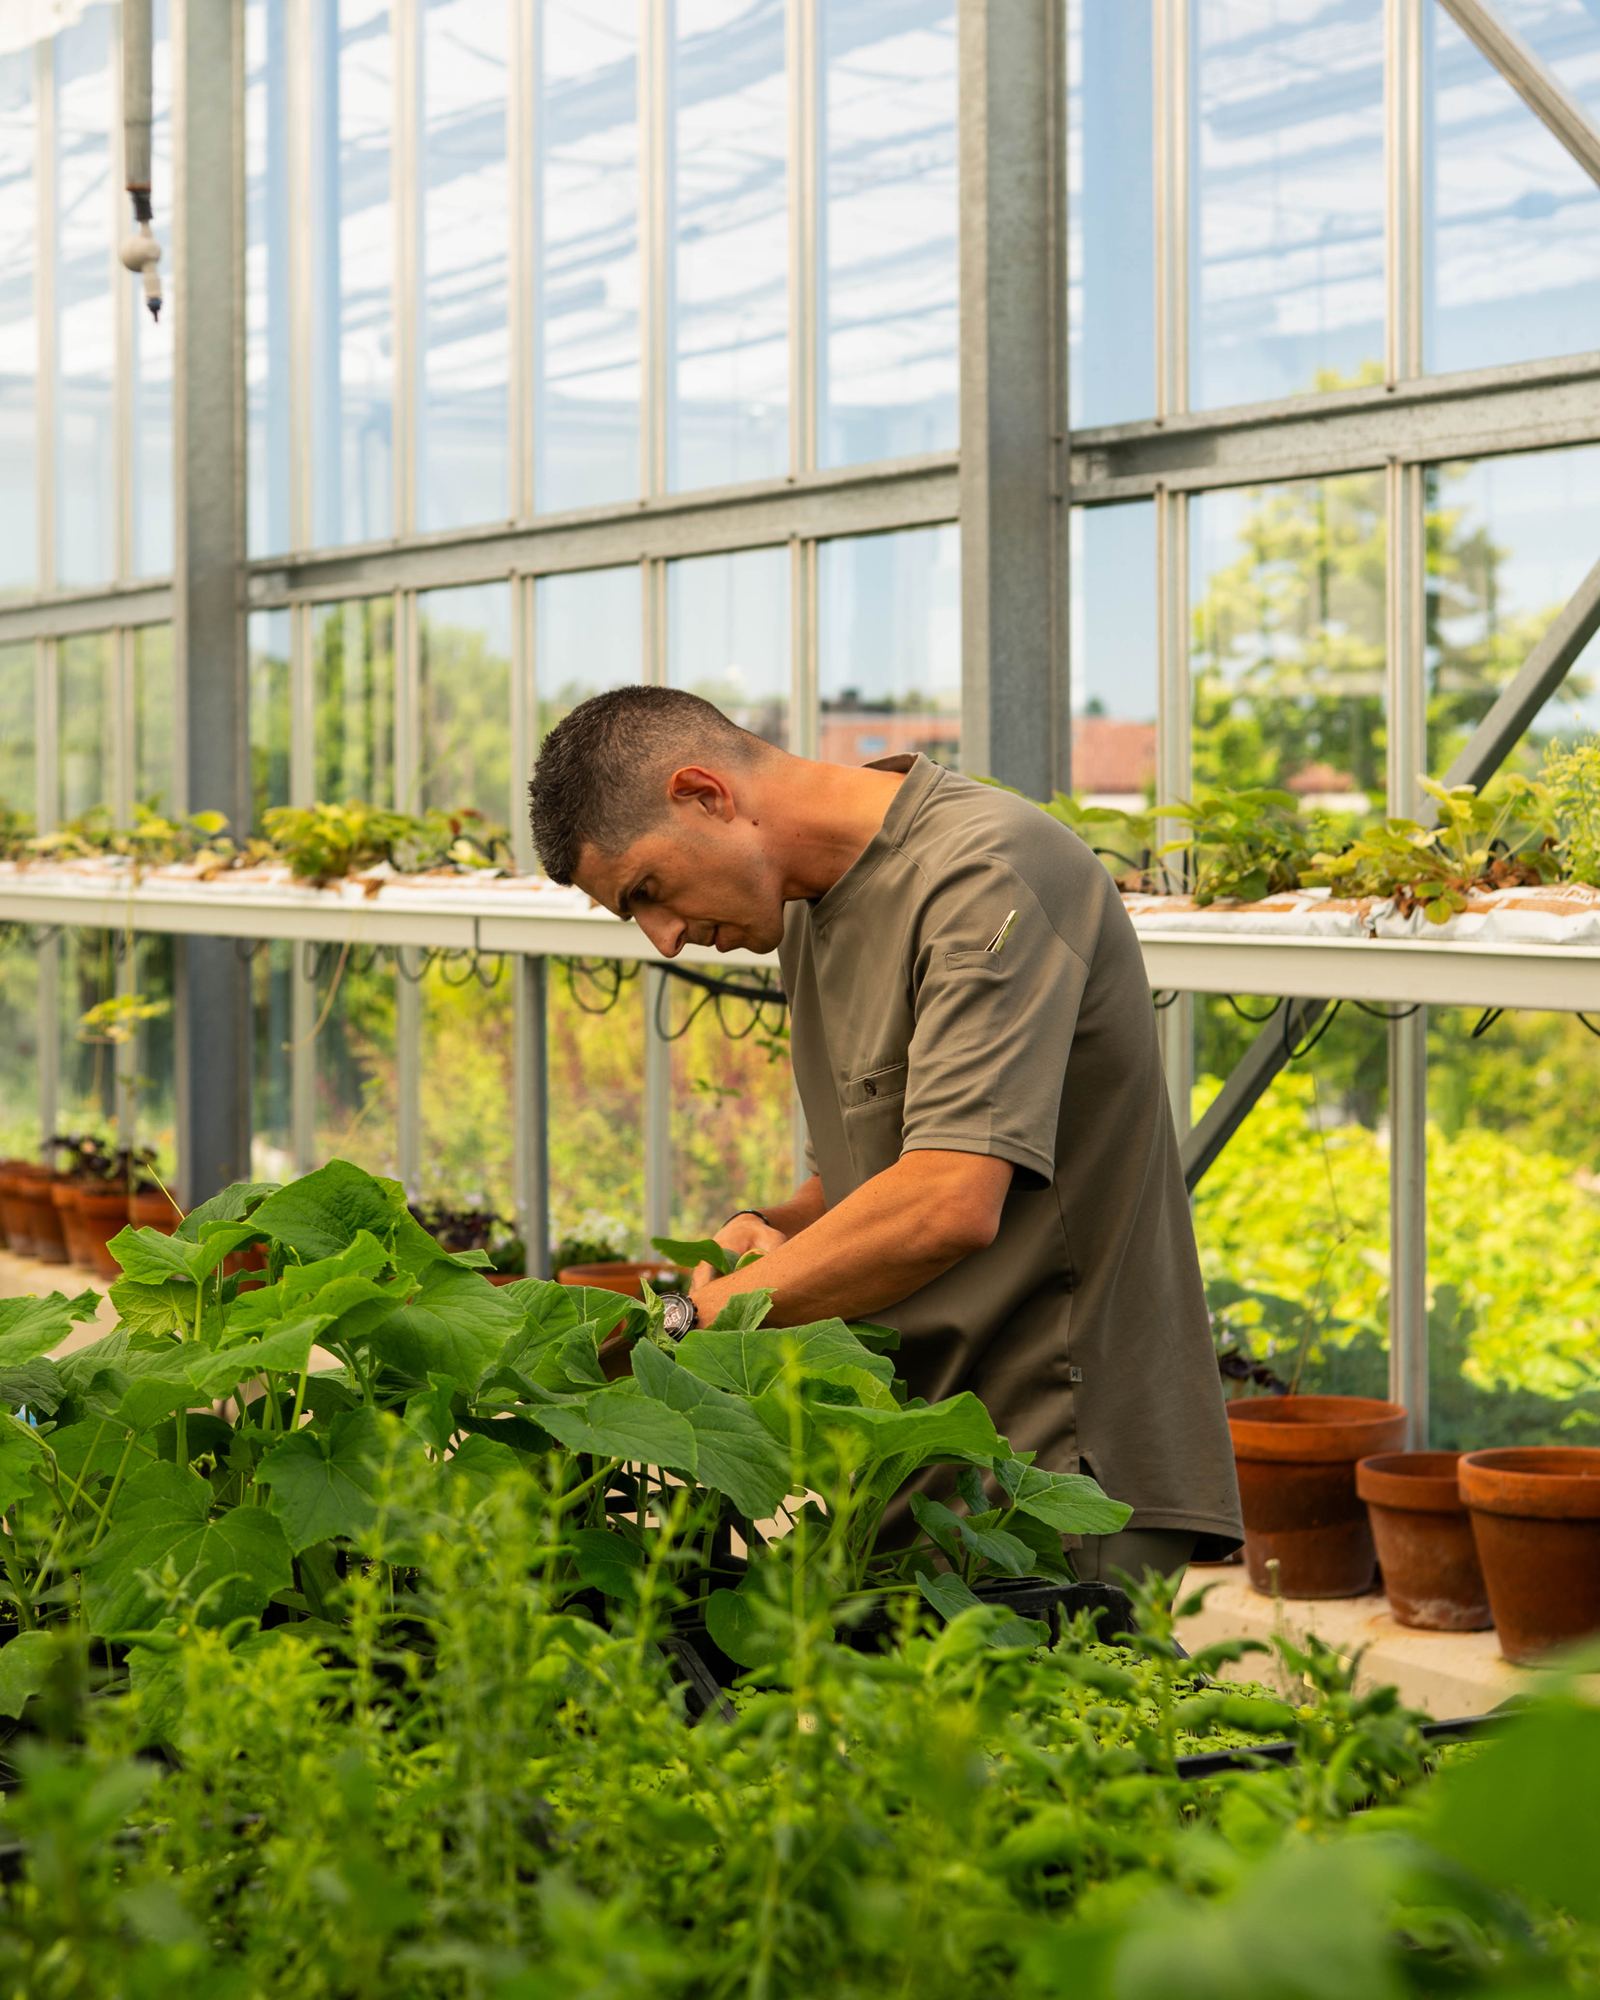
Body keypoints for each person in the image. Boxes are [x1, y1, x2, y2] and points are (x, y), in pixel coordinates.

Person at [527, 686, 1242, 1580]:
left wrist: (690, 1320)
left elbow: (948, 1202)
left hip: (1054, 1460)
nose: (665, 940)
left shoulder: (987, 875)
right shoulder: (811, 914)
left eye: (647, 892)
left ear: (705, 794)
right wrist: (782, 1229)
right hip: (925, 1455)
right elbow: (865, 1182)